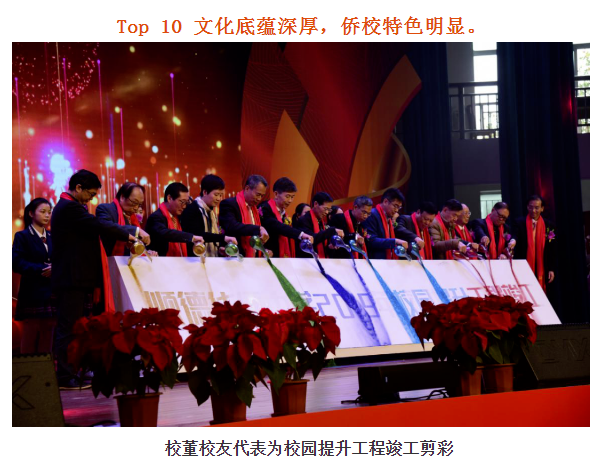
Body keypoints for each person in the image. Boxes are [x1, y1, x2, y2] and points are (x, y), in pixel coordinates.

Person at [51, 170, 137, 389]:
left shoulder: (73, 207)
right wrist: (128, 234)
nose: (91, 199)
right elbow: (98, 224)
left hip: (78, 278)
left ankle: (75, 370)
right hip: (71, 278)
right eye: (90, 194)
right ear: (78, 188)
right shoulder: (69, 207)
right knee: (68, 328)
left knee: (77, 327)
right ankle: (64, 376)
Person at [12, 198, 55, 354]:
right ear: (31, 213)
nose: (47, 215)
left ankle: (45, 368)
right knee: (30, 333)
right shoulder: (22, 236)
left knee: (48, 332)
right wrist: (42, 269)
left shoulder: (52, 236)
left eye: (49, 212)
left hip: (51, 291)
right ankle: (27, 368)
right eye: (42, 212)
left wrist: (55, 268)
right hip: (32, 291)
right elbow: (16, 263)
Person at [146, 182, 210, 257]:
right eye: (182, 202)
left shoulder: (179, 216)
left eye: (186, 202)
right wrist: (191, 237)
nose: (184, 206)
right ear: (169, 198)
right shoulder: (156, 217)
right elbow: (166, 233)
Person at [180, 174, 237, 257]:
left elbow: (211, 237)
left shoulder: (211, 211)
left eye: (221, 195)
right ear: (205, 192)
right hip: (194, 259)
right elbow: (198, 235)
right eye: (216, 195)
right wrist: (223, 238)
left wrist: (219, 249)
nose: (219, 199)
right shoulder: (192, 209)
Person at [258, 177, 313, 258]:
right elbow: (278, 226)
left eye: (292, 197)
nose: (290, 200)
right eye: (287, 196)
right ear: (276, 194)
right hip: (267, 255)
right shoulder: (264, 208)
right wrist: (301, 234)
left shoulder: (284, 214)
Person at [96, 182, 155, 256]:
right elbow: (107, 227)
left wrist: (145, 252)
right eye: (134, 202)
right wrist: (136, 230)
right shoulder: (105, 209)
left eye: (139, 204)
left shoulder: (133, 218)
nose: (136, 208)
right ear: (122, 197)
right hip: (108, 259)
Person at [219, 175, 270, 257]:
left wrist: (265, 250)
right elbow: (232, 226)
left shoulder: (254, 209)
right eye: (258, 194)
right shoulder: (229, 204)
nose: (259, 199)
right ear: (247, 188)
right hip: (235, 256)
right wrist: (258, 229)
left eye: (262, 196)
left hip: (253, 258)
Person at [513, 195, 556, 290]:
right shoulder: (519, 222)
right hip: (524, 264)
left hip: (542, 265)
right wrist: (513, 240)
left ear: (542, 208)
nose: (533, 210)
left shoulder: (549, 225)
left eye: (536, 208)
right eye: (531, 207)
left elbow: (551, 249)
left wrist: (551, 268)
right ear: (527, 207)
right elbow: (515, 236)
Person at [361, 188, 408, 259]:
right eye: (395, 206)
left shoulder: (389, 218)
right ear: (385, 201)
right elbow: (371, 241)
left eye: (399, 207)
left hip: (386, 261)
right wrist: (395, 241)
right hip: (374, 261)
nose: (396, 210)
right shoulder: (372, 215)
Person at [294, 191, 344, 258]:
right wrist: (332, 230)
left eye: (329, 210)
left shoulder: (321, 222)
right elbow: (312, 239)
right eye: (325, 209)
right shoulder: (304, 220)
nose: (327, 212)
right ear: (316, 204)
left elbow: (322, 245)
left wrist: (330, 247)